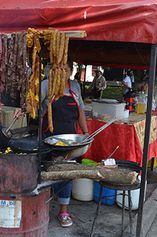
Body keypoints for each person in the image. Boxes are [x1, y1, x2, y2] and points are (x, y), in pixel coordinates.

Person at [40, 62, 89, 228]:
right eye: (60, 69)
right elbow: (33, 106)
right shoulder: (46, 85)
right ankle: (42, 207)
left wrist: (86, 132)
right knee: (47, 172)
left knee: (66, 172)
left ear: (71, 71)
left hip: (69, 138)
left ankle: (63, 210)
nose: (63, 72)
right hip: (49, 136)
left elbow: (81, 111)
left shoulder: (74, 86)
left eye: (67, 69)